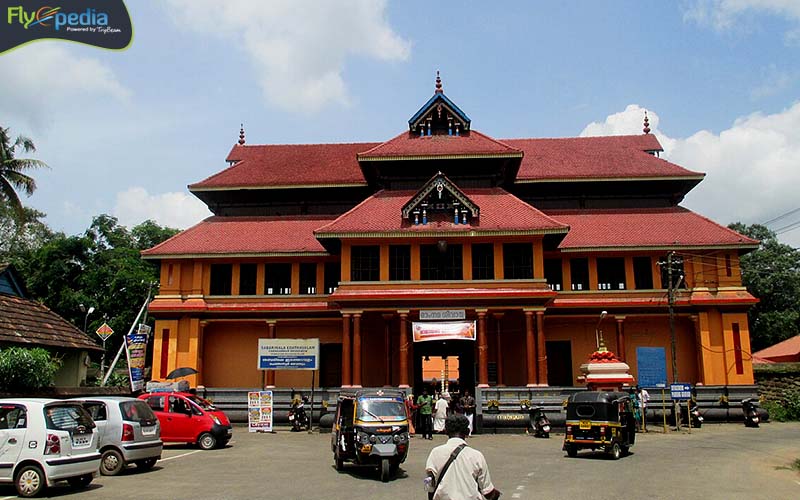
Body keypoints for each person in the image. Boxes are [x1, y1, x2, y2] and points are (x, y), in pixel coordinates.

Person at [425, 414, 501, 500]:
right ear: (468, 432)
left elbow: (430, 488)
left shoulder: (435, 453)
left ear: (446, 431)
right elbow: (488, 492)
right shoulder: (476, 456)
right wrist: (496, 494)